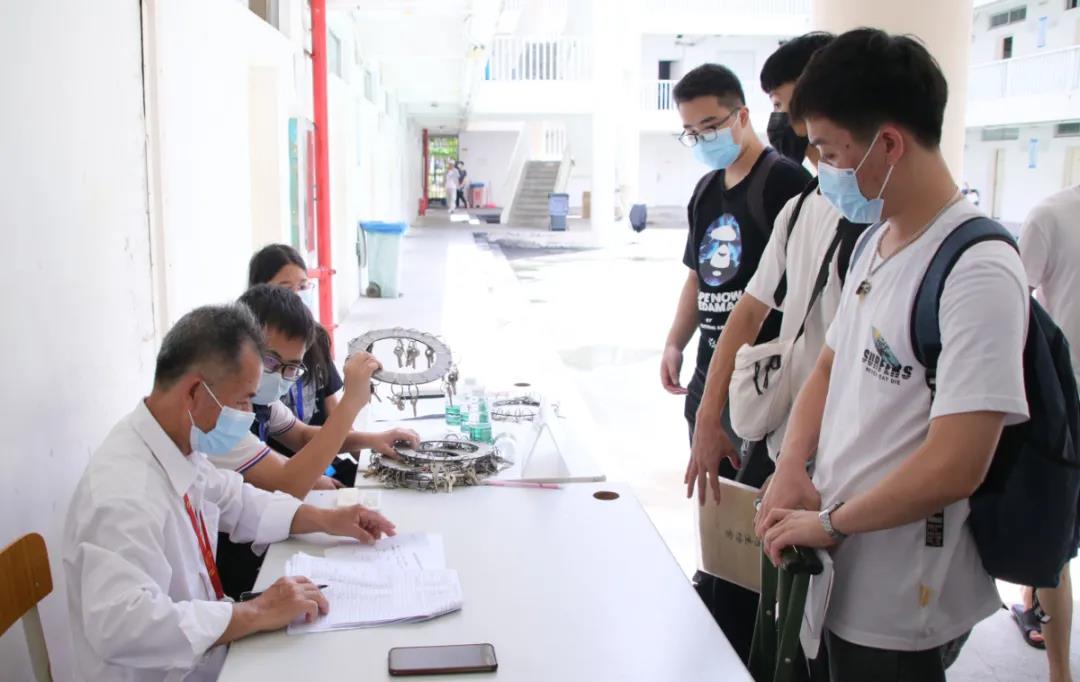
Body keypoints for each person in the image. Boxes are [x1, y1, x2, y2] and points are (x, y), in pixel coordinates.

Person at [755, 29, 1030, 682]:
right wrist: (791, 464)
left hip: (903, 597)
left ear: (888, 144)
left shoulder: (976, 269)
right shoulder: (875, 241)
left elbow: (956, 464)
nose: (821, 168)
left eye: (829, 152)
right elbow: (830, 364)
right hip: (838, 569)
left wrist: (831, 522)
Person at [64, 303, 397, 681]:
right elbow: (122, 625)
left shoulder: (174, 444)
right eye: (241, 401)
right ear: (194, 391)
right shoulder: (123, 492)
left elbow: (235, 499)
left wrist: (327, 518)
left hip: (207, 658)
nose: (247, 413)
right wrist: (255, 612)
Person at [659, 62, 810, 660]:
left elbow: (778, 300)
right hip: (708, 375)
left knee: (751, 523)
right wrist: (675, 340)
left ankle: (744, 639)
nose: (702, 139)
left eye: (710, 125)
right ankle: (721, 616)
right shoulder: (705, 191)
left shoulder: (783, 183)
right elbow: (699, 275)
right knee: (716, 512)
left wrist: (717, 408)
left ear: (743, 115)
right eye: (691, 131)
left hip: (759, 390)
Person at [214, 284, 418, 597]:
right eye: (270, 361)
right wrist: (351, 404)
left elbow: (302, 435)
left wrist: (373, 439)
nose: (279, 375)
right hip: (233, 564)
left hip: (263, 535)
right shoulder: (222, 417)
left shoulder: (262, 400)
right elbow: (288, 485)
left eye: (291, 368)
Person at [1015, 185, 1080, 682]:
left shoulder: (1051, 215)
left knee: (1054, 544)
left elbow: (1013, 308)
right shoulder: (1050, 216)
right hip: (1063, 403)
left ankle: (1060, 672)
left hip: (1063, 405)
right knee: (1053, 542)